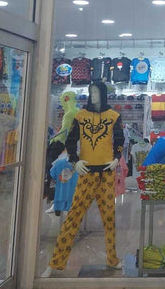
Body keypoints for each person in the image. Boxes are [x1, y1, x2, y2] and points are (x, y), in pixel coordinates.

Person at [45, 82, 124, 276]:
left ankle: (112, 258)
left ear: (102, 93)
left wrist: (116, 158)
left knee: (109, 218)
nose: (93, 95)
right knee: (73, 217)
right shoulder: (81, 116)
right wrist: (74, 159)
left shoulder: (113, 116)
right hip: (86, 173)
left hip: (106, 173)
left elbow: (119, 139)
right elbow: (71, 140)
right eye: (91, 92)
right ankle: (55, 263)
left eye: (96, 92)